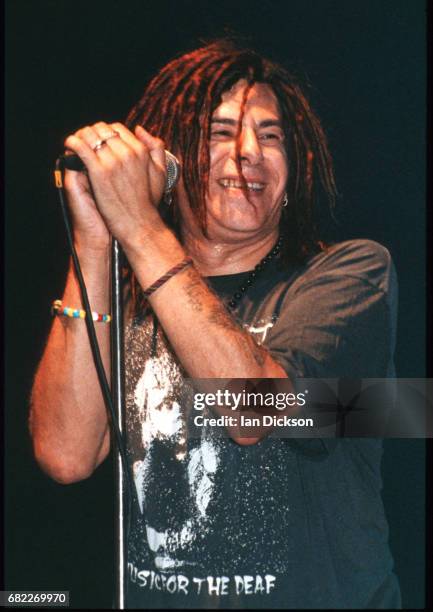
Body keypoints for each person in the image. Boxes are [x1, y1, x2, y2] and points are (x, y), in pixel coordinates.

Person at [29, 40, 402, 609]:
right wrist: (94, 240)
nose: (248, 151)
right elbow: (65, 457)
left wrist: (140, 225)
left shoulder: (350, 274)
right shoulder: (133, 302)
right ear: (172, 160)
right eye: (220, 132)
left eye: (271, 136)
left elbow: (257, 412)